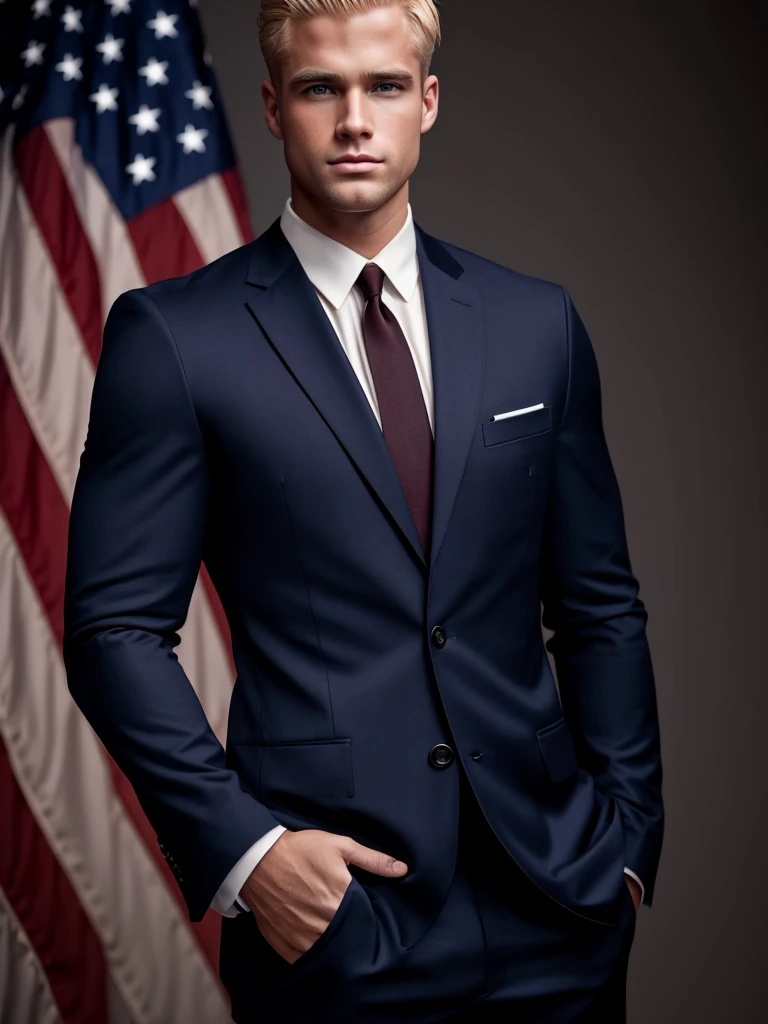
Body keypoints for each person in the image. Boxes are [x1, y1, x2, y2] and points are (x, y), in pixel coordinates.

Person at [62, 0, 664, 1020]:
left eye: (383, 86)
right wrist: (250, 855)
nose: (354, 119)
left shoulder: (537, 325)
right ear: (272, 105)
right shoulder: (176, 338)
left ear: (426, 101)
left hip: (560, 901)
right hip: (340, 926)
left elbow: (599, 604)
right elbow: (112, 628)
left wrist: (629, 840)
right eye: (319, 88)